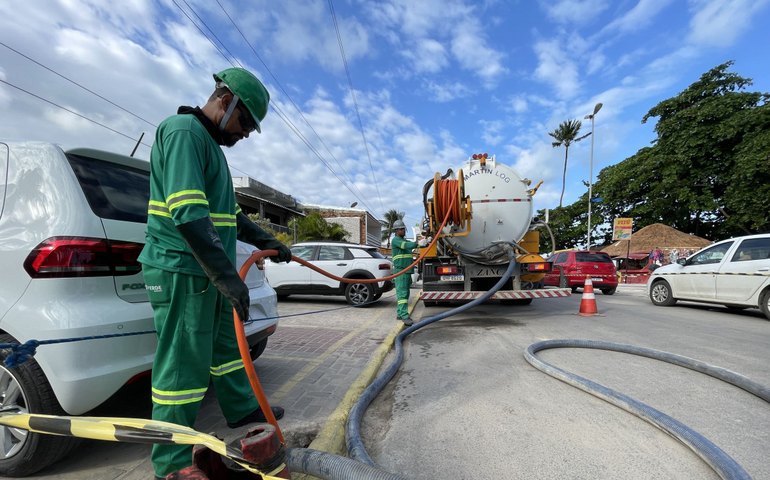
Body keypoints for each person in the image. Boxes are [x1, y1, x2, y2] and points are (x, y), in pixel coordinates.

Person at [137, 67, 292, 479]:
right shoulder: (184, 133)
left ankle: (242, 408)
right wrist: (227, 277)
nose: (245, 133)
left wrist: (269, 241)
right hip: (183, 269)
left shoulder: (210, 148)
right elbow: (188, 215)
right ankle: (171, 461)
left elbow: (231, 216)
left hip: (208, 271)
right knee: (182, 366)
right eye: (245, 122)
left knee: (228, 347)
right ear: (225, 101)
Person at [391, 219, 418, 326]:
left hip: (406, 271)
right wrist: (417, 244)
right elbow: (407, 246)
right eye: (402, 229)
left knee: (405, 293)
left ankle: (399, 313)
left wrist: (423, 243)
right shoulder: (396, 240)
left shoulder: (404, 240)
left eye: (404, 229)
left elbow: (411, 244)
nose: (404, 230)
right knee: (402, 294)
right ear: (396, 231)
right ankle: (404, 316)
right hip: (401, 271)